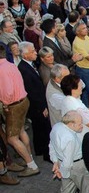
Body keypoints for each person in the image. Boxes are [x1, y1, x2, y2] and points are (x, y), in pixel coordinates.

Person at [0, 45, 38, 178]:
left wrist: (5, 104)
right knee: (21, 131)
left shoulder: (1, 69)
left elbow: (8, 92)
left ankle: (31, 164)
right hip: (23, 100)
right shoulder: (10, 65)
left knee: (11, 138)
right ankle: (28, 156)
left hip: (14, 105)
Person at [49, 110, 89, 193]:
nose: (81, 126)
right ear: (71, 124)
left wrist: (56, 162)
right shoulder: (70, 138)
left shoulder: (56, 127)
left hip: (63, 165)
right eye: (79, 124)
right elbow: (68, 162)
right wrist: (63, 173)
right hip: (77, 166)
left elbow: (51, 145)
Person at [17, 42, 51, 163]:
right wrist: (42, 107)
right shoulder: (23, 69)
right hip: (37, 105)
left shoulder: (30, 65)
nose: (36, 52)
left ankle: (40, 149)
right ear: (25, 55)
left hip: (38, 103)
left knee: (39, 128)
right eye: (32, 51)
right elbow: (32, 92)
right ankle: (46, 153)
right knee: (43, 128)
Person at [72, 22, 89, 106]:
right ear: (77, 32)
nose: (86, 29)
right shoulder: (77, 43)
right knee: (88, 92)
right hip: (84, 70)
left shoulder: (86, 37)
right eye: (83, 28)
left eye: (86, 27)